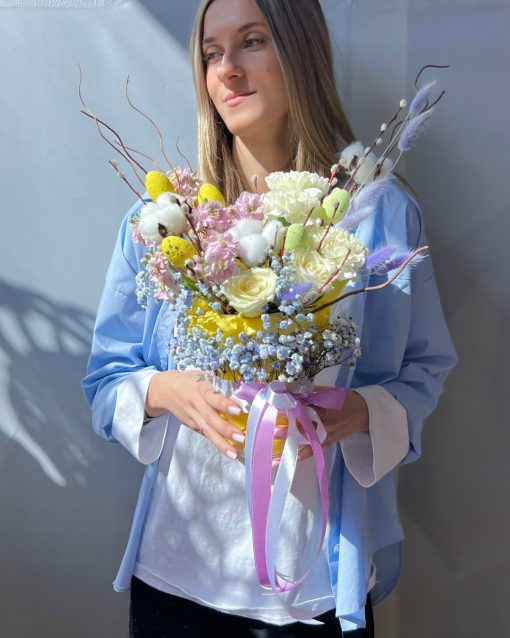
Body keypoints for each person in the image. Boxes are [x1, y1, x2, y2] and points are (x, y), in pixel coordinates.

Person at [82, 0, 458, 636]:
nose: (227, 69)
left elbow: (424, 367)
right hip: (177, 575)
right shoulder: (163, 224)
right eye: (211, 53)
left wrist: (359, 411)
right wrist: (169, 392)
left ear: (299, 52)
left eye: (251, 41)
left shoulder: (378, 217)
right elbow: (106, 377)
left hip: (316, 588)